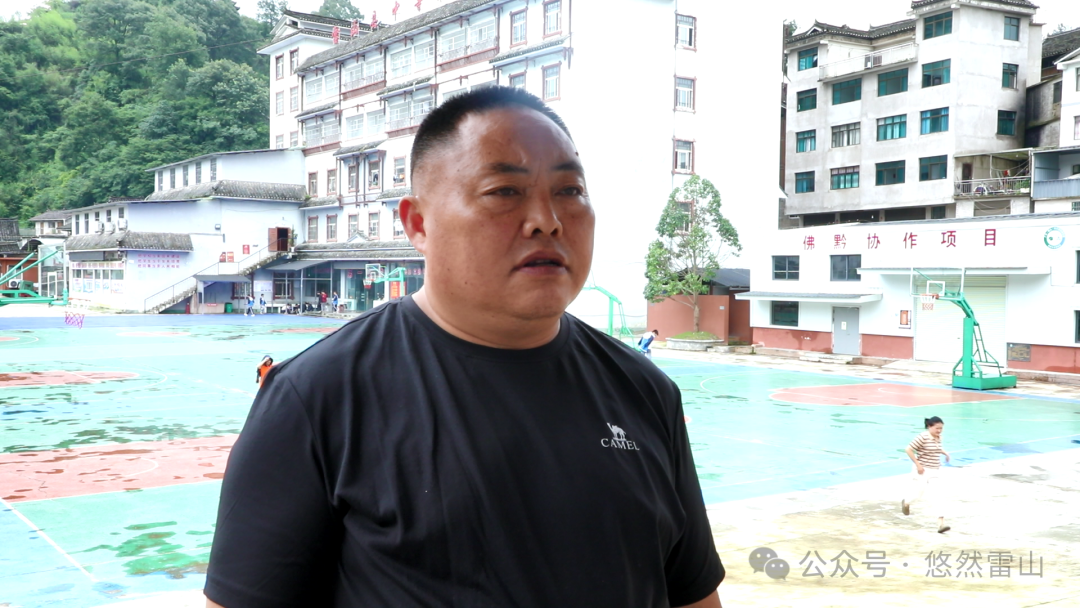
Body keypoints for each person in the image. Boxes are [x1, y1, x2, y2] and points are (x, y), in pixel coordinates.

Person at [205, 87, 723, 608]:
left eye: (570, 190)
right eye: (504, 191)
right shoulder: (315, 399)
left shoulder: (647, 392)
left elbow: (693, 595)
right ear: (418, 224)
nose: (547, 219)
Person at [901, 416, 952, 533]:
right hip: (922, 470)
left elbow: (935, 448)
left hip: (935, 470)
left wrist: (945, 452)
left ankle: (941, 524)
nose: (939, 431)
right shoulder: (922, 437)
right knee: (918, 495)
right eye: (937, 428)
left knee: (938, 495)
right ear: (929, 426)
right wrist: (918, 465)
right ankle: (906, 502)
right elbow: (908, 449)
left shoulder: (939, 437)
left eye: (941, 428)